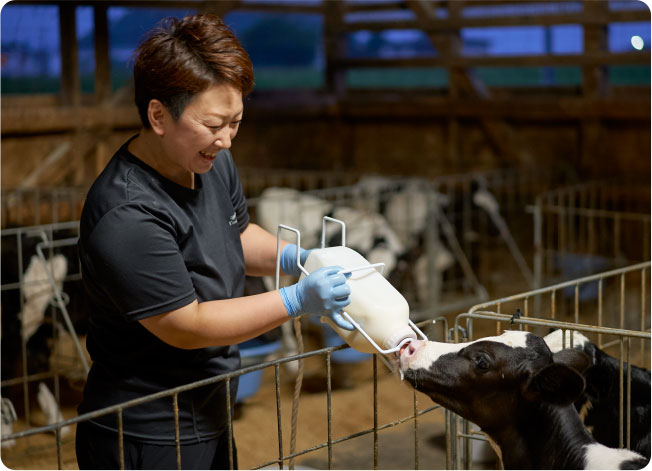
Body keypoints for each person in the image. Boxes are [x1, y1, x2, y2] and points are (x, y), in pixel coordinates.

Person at [75, 13, 353, 470]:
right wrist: (296, 299)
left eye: (236, 122)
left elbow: (235, 232)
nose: (226, 140)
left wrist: (296, 258)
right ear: (158, 115)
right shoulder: (127, 213)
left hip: (209, 407)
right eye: (213, 124)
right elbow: (188, 324)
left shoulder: (209, 160)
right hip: (147, 430)